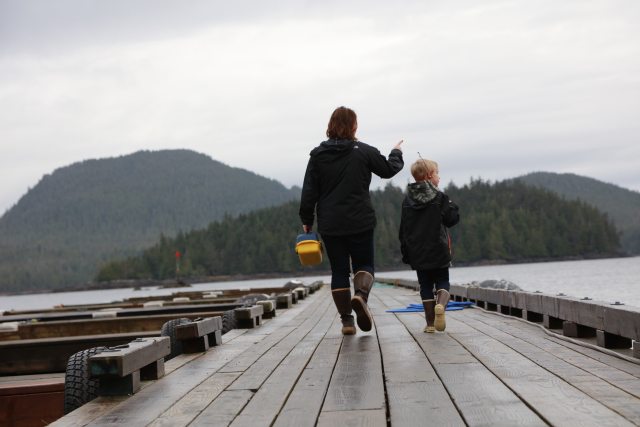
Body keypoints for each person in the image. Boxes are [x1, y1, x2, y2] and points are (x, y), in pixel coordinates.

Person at [299, 106, 404, 335]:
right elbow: (388, 170)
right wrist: (395, 152)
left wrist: (307, 220)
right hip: (360, 220)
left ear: (330, 125)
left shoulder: (317, 155)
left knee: (338, 270)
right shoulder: (364, 151)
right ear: (354, 126)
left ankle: (347, 322)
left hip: (330, 223)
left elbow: (309, 192)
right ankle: (361, 296)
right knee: (364, 265)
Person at [399, 158, 459, 333]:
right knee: (443, 281)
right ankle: (440, 305)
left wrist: (406, 251)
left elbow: (403, 229)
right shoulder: (440, 197)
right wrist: (452, 205)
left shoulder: (407, 200)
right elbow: (451, 220)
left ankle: (430, 324)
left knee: (425, 285)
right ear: (429, 175)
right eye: (437, 173)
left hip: (417, 251)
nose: (439, 177)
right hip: (438, 249)